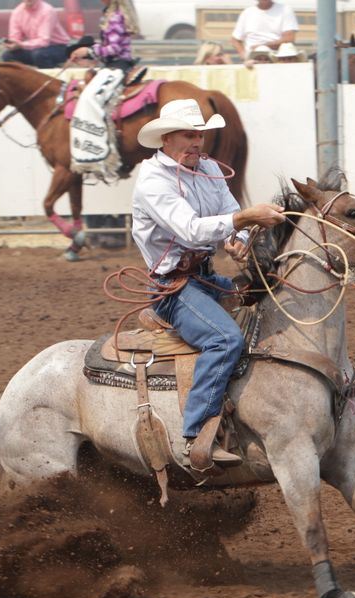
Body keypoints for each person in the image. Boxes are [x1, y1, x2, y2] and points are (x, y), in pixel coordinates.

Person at [132, 99, 285, 468]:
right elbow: (189, 227)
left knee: (271, 304)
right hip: (174, 288)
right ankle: (197, 435)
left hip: (205, 276)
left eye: (200, 135)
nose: (197, 142)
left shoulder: (210, 169)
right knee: (223, 339)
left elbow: (228, 219)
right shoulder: (153, 180)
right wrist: (244, 217)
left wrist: (239, 242)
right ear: (166, 139)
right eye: (189, 135)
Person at [69, 0, 140, 179]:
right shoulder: (111, 13)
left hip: (118, 66)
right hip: (112, 65)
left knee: (89, 98)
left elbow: (114, 48)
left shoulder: (115, 17)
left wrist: (89, 51)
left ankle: (99, 154)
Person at [1, 0, 72, 69]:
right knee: (7, 56)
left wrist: (21, 45)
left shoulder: (47, 10)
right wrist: (12, 44)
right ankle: (24, 79)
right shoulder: (17, 12)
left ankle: (51, 79)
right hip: (35, 48)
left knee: (40, 55)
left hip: (58, 48)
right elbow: (15, 37)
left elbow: (44, 41)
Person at [232, 0, 299, 67]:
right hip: (252, 63)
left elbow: (289, 38)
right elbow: (235, 40)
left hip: (276, 61)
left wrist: (263, 46)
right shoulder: (247, 13)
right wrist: (245, 57)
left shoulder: (285, 10)